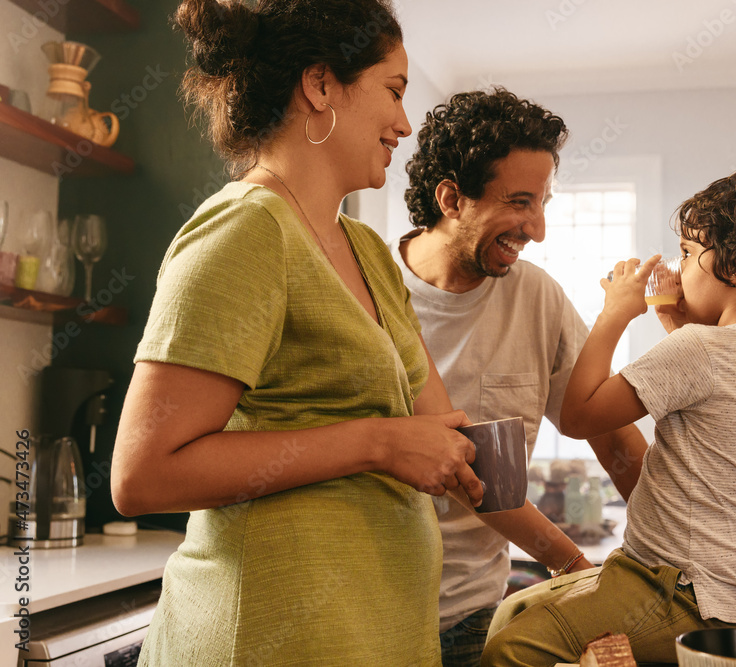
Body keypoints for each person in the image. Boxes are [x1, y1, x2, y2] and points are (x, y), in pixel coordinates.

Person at [111, 1, 485, 664]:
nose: (404, 123)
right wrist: (377, 443)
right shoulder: (246, 230)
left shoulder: (368, 249)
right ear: (319, 85)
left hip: (377, 636)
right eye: (393, 91)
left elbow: (429, 424)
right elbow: (142, 474)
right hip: (265, 635)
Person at [481, 165, 736, 666]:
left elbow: (580, 416)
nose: (680, 265)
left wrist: (615, 312)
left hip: (674, 588)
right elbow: (714, 396)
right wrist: (675, 319)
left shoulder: (700, 348)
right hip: (729, 589)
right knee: (517, 608)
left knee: (511, 646)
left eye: (690, 253)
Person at [392, 87, 649, 667]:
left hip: (473, 614)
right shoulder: (369, 291)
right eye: (518, 201)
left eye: (543, 203)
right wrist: (576, 568)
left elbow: (612, 437)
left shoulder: (538, 298)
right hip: (370, 613)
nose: (536, 228)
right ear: (451, 198)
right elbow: (478, 480)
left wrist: (695, 557)